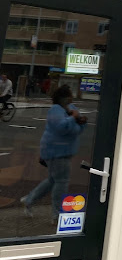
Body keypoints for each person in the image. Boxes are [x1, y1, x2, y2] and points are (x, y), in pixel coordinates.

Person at [20, 84, 87, 221]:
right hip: (56, 151)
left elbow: (77, 129)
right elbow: (61, 128)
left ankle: (29, 200)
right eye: (69, 96)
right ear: (63, 98)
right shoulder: (55, 110)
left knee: (53, 180)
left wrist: (78, 121)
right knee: (61, 181)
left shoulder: (71, 109)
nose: (71, 98)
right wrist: (73, 119)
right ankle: (56, 214)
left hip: (62, 151)